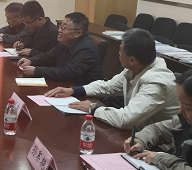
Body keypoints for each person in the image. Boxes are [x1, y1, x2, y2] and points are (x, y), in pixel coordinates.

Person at [45, 28, 179, 128]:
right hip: (137, 133)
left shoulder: (157, 82)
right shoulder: (136, 67)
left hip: (158, 145)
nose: (118, 53)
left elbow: (127, 119)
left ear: (132, 60)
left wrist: (93, 108)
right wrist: (73, 90)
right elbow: (108, 86)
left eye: (120, 50)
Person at [18, 12, 103, 86]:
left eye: (64, 28)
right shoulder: (65, 42)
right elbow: (49, 56)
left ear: (78, 33)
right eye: (60, 26)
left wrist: (36, 71)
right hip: (65, 86)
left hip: (84, 93)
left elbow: (68, 72)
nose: (59, 30)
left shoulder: (86, 49)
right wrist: (31, 61)